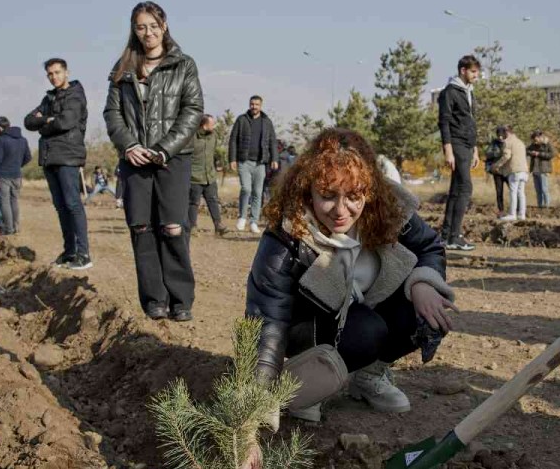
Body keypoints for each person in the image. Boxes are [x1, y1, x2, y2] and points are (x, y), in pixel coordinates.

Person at [243, 128, 455, 433]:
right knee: (367, 331)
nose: (341, 211)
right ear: (308, 190)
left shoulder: (391, 208)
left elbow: (429, 248)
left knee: (422, 309)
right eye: (328, 196)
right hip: (308, 328)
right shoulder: (287, 235)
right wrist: (259, 397)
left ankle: (368, 376)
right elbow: (268, 319)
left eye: (354, 196)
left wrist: (423, 283)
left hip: (362, 312)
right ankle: (305, 382)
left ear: (369, 190)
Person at [104, 0, 204, 322]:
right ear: (134, 31)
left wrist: (164, 149)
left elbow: (192, 111)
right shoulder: (123, 68)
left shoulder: (183, 65)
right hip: (135, 160)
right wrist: (129, 145)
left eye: (153, 26)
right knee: (142, 227)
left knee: (173, 227)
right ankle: (154, 299)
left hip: (172, 159)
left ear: (164, 26)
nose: (148, 33)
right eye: (141, 27)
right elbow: (112, 113)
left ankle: (180, 299)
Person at [25, 57, 93, 270]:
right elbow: (28, 121)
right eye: (50, 74)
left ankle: (84, 254)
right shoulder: (48, 98)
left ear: (66, 72)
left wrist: (44, 123)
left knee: (73, 204)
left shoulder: (75, 95)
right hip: (49, 157)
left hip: (68, 156)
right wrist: (47, 120)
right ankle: (69, 251)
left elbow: (65, 122)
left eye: (57, 72)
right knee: (60, 206)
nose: (54, 77)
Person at [438, 55, 481, 251]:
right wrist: (448, 149)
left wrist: (475, 149)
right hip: (456, 143)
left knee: (456, 189)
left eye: (477, 72)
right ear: (463, 70)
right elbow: (444, 121)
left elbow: (471, 122)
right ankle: (455, 236)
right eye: (473, 72)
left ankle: (446, 236)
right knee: (465, 187)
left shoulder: (469, 92)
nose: (476, 76)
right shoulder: (450, 92)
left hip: (467, 145)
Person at [228, 96, 279, 234]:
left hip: (260, 163)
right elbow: (233, 140)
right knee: (246, 189)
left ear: (261, 106)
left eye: (256, 104)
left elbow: (272, 141)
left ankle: (254, 222)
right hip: (244, 161)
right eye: (252, 104)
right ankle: (242, 217)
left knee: (257, 192)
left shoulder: (266, 122)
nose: (254, 106)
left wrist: (274, 158)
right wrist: (232, 159)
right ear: (249, 104)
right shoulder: (241, 120)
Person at [187, 114, 228, 236]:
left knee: (213, 200)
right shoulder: (192, 137)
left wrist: (218, 164)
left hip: (210, 176)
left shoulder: (213, 135)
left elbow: (214, 152)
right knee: (193, 202)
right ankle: (192, 227)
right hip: (194, 176)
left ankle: (218, 225)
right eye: (212, 124)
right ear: (204, 125)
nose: (214, 126)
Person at [0, 116, 31, 235]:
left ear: (0, 127)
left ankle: (8, 229)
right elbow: (28, 157)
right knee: (14, 201)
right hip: (17, 175)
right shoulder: (23, 140)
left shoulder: (1, 140)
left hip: (3, 175)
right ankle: (16, 227)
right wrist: (18, 165)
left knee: (4, 202)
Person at [492, 125, 529, 222]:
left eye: (503, 133)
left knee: (513, 192)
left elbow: (506, 156)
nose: (502, 136)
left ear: (507, 132)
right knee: (521, 193)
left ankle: (512, 214)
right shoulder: (521, 142)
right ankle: (522, 214)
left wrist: (496, 165)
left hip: (514, 171)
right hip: (524, 171)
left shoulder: (508, 142)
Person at [528, 130, 555, 208]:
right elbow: (526, 150)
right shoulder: (533, 145)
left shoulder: (547, 144)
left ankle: (547, 205)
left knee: (544, 189)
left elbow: (552, 154)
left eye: (535, 139)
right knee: (538, 190)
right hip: (535, 170)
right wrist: (531, 153)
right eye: (533, 140)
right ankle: (540, 205)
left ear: (540, 137)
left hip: (543, 169)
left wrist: (539, 154)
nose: (534, 141)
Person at [483, 133, 508, 215]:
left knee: (513, 190)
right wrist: (497, 154)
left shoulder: (509, 142)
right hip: (497, 171)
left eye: (502, 135)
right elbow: (487, 153)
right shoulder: (494, 143)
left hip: (507, 171)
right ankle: (501, 209)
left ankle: (516, 208)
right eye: (498, 135)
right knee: (499, 191)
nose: (500, 137)